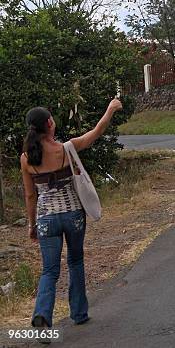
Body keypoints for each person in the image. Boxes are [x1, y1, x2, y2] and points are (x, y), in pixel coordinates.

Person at [21, 99, 123, 329]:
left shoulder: (26, 158)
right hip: (73, 216)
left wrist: (32, 225)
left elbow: (30, 196)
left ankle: (43, 316)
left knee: (49, 270)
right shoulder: (65, 149)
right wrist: (110, 109)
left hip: (46, 219)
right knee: (75, 261)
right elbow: (95, 132)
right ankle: (79, 313)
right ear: (49, 123)